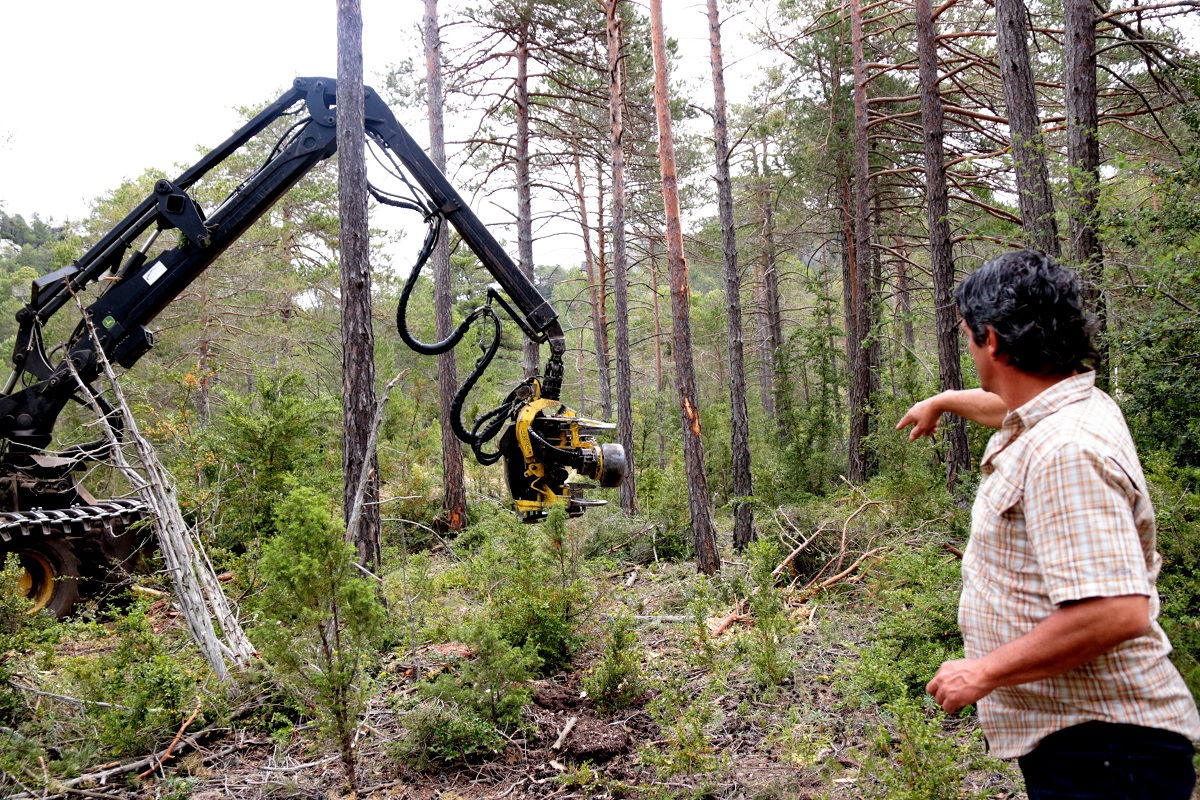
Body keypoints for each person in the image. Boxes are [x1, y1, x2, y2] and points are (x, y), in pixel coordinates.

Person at [897, 249, 1200, 799]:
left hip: (1107, 752)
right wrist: (941, 401)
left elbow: (1116, 610)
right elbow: (1006, 408)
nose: (969, 348)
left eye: (968, 336)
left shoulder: (1065, 450)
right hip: (1095, 743)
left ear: (990, 340)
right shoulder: (1074, 405)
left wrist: (985, 671)